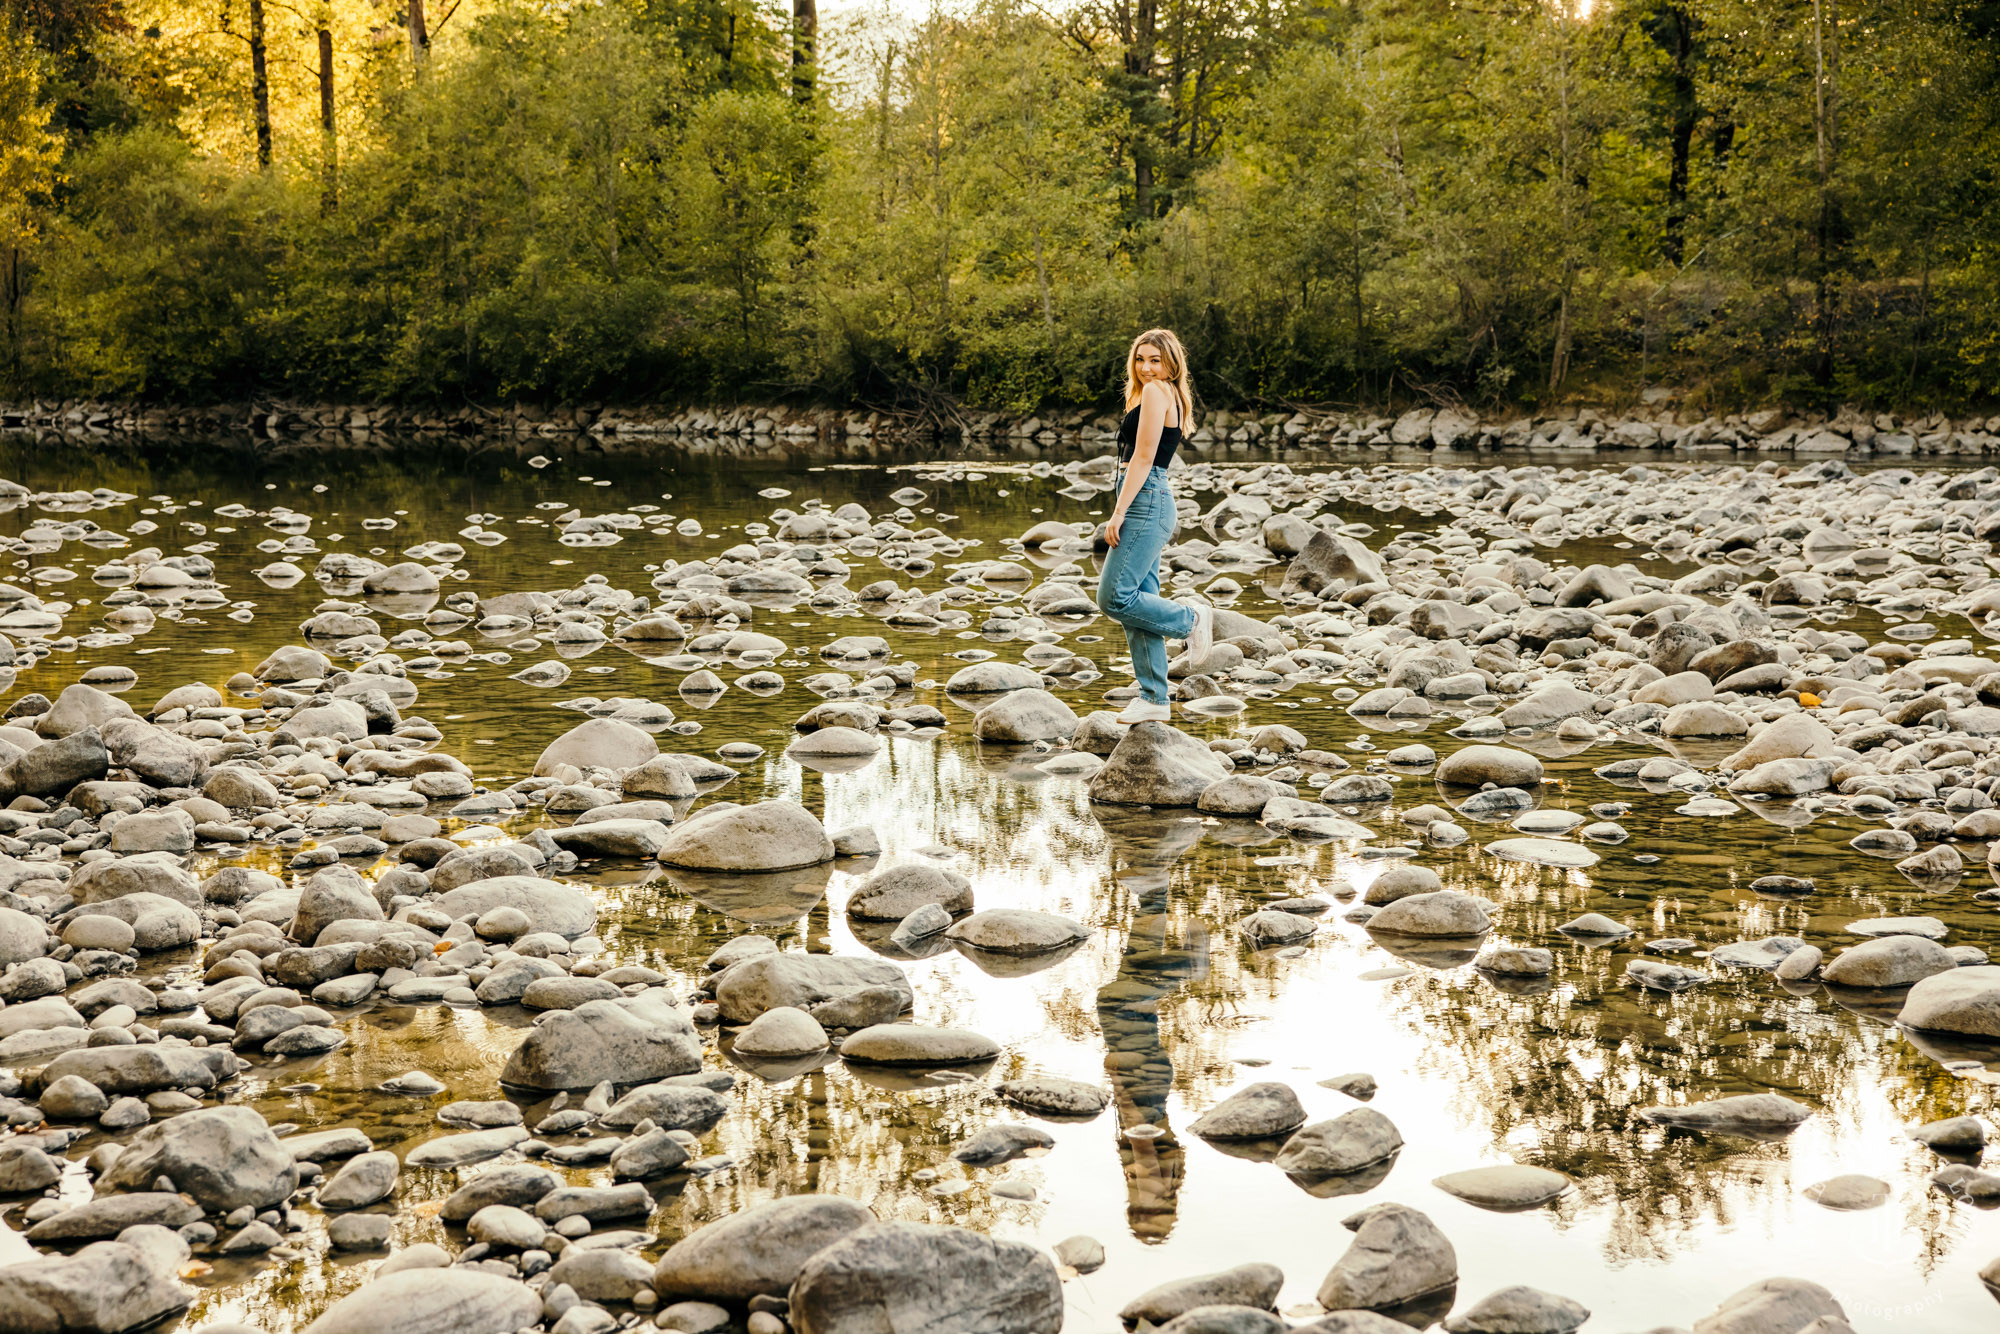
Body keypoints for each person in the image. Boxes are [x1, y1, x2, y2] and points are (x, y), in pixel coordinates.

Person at [1097, 328, 1213, 724]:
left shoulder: (1156, 392)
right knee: (1137, 603)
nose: (1146, 368)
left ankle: (1190, 619)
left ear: (1170, 363)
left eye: (1155, 360)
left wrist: (1118, 513)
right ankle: (1154, 698)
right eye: (1140, 359)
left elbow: (1144, 457)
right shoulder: (1171, 394)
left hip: (1145, 499)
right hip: (1149, 499)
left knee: (1113, 598)